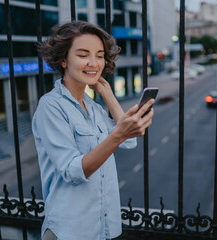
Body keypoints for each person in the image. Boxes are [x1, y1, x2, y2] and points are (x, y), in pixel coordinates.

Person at [32, 21, 155, 240]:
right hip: (69, 231)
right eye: (83, 55)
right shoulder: (49, 106)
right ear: (63, 60)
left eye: (99, 55)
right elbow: (73, 171)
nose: (94, 63)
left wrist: (107, 95)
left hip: (102, 228)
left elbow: (129, 141)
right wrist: (119, 133)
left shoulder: (94, 107)